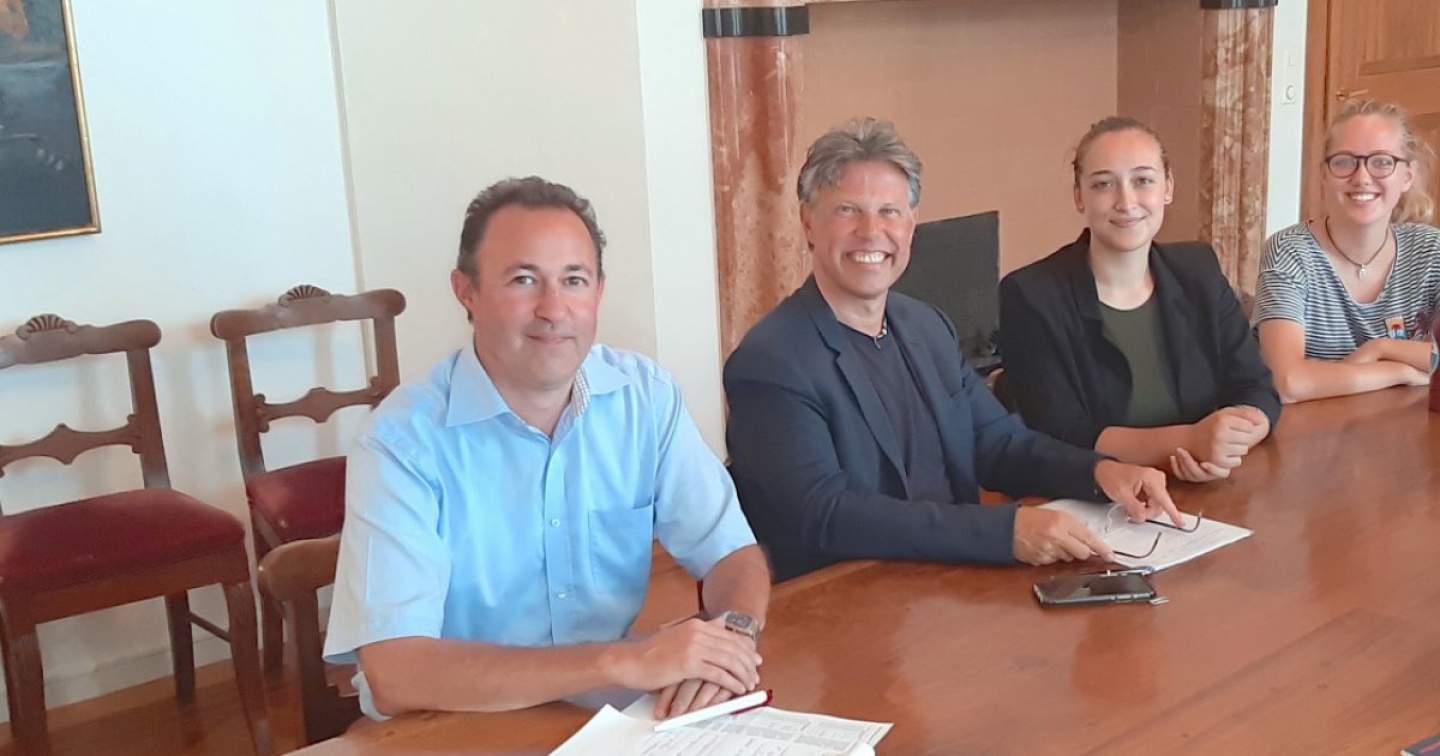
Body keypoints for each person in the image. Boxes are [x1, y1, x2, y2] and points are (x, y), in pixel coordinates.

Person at [324, 177, 770, 721]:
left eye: (574, 280)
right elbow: (397, 674)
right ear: (466, 291)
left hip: (609, 719)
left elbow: (730, 552)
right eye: (524, 280)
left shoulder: (643, 397)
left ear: (599, 292)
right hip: (453, 723)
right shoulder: (400, 442)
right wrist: (623, 660)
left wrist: (733, 640)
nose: (553, 308)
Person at [723, 118, 1180, 583]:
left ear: (911, 224)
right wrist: (1004, 532)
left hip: (952, 583)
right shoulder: (772, 362)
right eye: (847, 211)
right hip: (849, 598)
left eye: (889, 211)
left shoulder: (926, 326)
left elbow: (999, 444)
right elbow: (825, 516)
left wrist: (1101, 474)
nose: (871, 231)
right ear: (808, 223)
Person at [998, 116, 1279, 483]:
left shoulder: (1198, 269)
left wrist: (1232, 441)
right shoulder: (1031, 294)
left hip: (1210, 487)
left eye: (1143, 180)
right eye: (1104, 184)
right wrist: (1188, 442)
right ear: (1079, 196)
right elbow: (1060, 431)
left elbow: (1256, 387)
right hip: (1097, 496)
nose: (1126, 201)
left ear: (1168, 187)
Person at [1253, 98, 1440, 403]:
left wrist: (1381, 348)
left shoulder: (1431, 250)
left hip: (1409, 426)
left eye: (1382, 162)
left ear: (1407, 176)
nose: (1362, 177)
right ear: (1324, 175)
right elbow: (1286, 382)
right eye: (1344, 161)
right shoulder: (1289, 251)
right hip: (1315, 429)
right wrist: (1400, 372)